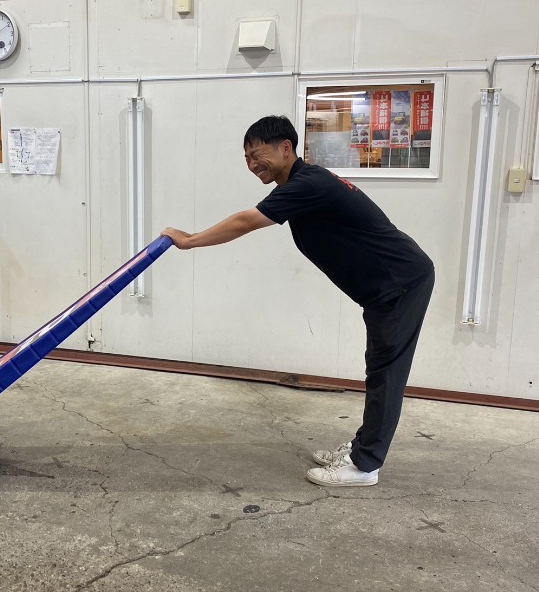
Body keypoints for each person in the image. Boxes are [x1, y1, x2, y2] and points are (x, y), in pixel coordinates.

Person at [161, 115, 434, 487]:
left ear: (285, 148)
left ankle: (364, 465)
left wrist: (189, 240)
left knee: (386, 373)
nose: (252, 164)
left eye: (258, 154)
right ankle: (362, 449)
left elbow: (244, 222)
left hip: (401, 283)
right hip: (388, 286)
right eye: (246, 158)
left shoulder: (309, 184)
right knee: (379, 368)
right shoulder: (301, 184)